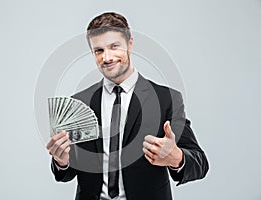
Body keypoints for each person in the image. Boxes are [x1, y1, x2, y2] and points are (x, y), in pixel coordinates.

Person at [46, 12, 209, 200]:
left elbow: (200, 164)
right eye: (98, 50)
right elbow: (66, 173)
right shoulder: (81, 101)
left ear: (130, 44)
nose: (106, 57)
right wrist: (61, 161)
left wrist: (176, 157)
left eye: (114, 46)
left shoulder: (166, 99)